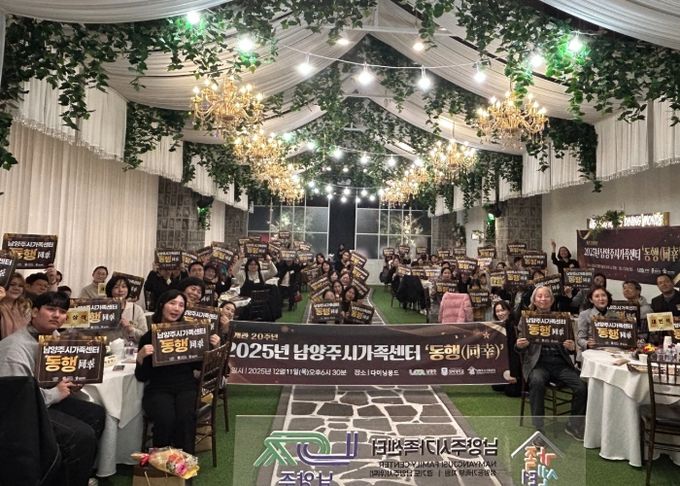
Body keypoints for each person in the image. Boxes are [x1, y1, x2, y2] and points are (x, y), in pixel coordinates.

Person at [0, 291, 105, 486]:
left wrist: (72, 382)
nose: (57, 315)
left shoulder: (56, 339)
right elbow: (15, 399)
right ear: (34, 312)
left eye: (62, 311)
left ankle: (73, 473)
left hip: (45, 400)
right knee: (81, 435)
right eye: (50, 309)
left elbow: (56, 376)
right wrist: (55, 393)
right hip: (23, 413)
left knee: (96, 414)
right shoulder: (14, 348)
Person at [135, 290, 220, 454]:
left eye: (181, 305)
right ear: (162, 305)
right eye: (172, 303)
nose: (177, 308)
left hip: (187, 387)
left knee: (185, 418)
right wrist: (140, 357)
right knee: (165, 418)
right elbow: (142, 376)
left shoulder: (190, 333)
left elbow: (201, 367)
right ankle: (161, 461)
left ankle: (186, 460)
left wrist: (213, 349)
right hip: (158, 389)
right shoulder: (148, 337)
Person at [515, 286, 586, 440]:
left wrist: (571, 347)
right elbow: (519, 347)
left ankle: (573, 425)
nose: (543, 299)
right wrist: (520, 345)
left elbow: (570, 347)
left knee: (582, 386)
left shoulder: (561, 318)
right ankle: (539, 429)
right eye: (539, 296)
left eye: (547, 296)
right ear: (534, 300)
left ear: (552, 300)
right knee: (537, 382)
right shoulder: (526, 319)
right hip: (538, 364)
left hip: (560, 363)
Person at [104, 274, 148, 343]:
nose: (120, 290)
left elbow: (145, 337)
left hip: (131, 348)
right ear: (110, 290)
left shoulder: (136, 309)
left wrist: (130, 328)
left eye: (124, 287)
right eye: (116, 287)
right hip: (108, 348)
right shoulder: (102, 308)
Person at [491, 300, 522, 397]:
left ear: (509, 311)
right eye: (497, 311)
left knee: (511, 392)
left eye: (502, 310)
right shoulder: (498, 326)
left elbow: (515, 353)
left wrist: (514, 374)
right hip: (505, 363)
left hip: (517, 364)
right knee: (496, 387)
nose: (500, 313)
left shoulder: (514, 326)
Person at [576, 287, 614, 351]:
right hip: (591, 351)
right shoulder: (584, 315)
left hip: (610, 351)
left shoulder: (615, 315)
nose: (601, 299)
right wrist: (587, 343)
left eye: (603, 295)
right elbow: (580, 339)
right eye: (597, 296)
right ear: (591, 300)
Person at [0, 273, 32, 339]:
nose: (17, 288)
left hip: (27, 344)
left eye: (20, 286)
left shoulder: (25, 306)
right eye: (12, 284)